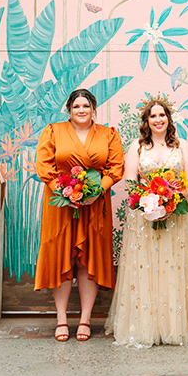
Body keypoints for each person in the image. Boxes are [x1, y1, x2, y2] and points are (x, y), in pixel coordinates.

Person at [105, 98, 188, 347]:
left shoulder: (182, 145)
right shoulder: (137, 147)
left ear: (169, 119)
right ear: (146, 121)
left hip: (176, 218)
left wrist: (172, 201)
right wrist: (148, 203)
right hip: (144, 218)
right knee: (146, 269)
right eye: (153, 116)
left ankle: (174, 326)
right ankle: (145, 327)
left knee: (173, 268)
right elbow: (130, 180)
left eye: (162, 115)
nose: (158, 120)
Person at [34, 88, 124, 342]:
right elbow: (44, 165)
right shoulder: (53, 131)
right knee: (62, 257)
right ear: (69, 110)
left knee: (88, 260)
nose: (81, 110)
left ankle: (85, 318)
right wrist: (63, 192)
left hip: (95, 205)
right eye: (76, 107)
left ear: (94, 109)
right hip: (60, 205)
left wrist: (98, 191)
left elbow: (116, 167)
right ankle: (61, 319)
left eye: (86, 106)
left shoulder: (108, 134)